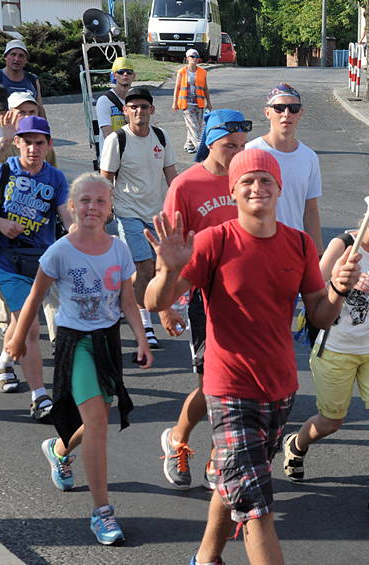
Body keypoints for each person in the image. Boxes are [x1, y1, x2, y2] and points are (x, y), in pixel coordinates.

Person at [144, 148, 362, 565]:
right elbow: (156, 301)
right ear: (233, 191)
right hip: (229, 390)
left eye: (265, 180)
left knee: (238, 486)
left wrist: (338, 289)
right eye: (247, 181)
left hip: (280, 390)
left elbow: (320, 315)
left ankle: (205, 558)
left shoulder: (298, 244)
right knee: (257, 508)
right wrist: (168, 271)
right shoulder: (214, 241)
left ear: (279, 188)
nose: (257, 187)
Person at [6, 173, 151, 546]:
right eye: (85, 200)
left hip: (107, 342)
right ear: (72, 206)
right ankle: (102, 512)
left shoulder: (119, 249)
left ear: (110, 208)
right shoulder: (60, 251)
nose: (92, 207)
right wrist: (19, 338)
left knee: (98, 417)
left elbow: (127, 301)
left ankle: (58, 450)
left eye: (100, 201)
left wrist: (142, 339)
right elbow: (35, 297)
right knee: (98, 423)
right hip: (76, 343)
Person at [282, 183, 369, 530]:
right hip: (337, 347)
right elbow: (312, 294)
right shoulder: (342, 246)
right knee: (331, 421)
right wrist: (344, 282)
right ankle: (297, 443)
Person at [158, 109, 248, 489]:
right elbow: (168, 249)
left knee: (235, 384)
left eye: (242, 146)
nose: (237, 153)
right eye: (230, 146)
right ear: (210, 142)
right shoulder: (186, 185)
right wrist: (165, 305)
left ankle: (217, 457)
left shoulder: (247, 180)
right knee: (212, 384)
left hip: (245, 294)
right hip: (202, 295)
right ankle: (178, 439)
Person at [0, 116, 72, 420]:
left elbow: (67, 218)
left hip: (42, 263)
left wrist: (88, 239)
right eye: (27, 142)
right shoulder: (1, 171)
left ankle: (4, 362)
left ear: (48, 145)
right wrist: (0, 223)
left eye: (39, 142)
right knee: (30, 326)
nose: (33, 148)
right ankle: (40, 397)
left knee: (19, 321)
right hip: (7, 260)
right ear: (17, 143)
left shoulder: (56, 178)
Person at [100, 86, 178, 349]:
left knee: (156, 268)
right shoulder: (117, 139)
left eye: (144, 106)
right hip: (128, 213)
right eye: (133, 107)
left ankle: (124, 298)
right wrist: (106, 207)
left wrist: (181, 205)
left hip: (157, 215)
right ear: (125, 110)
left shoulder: (161, 136)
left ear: (152, 110)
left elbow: (171, 175)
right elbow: (106, 177)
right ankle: (145, 327)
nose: (139, 111)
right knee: (143, 268)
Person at [0, 91, 61, 341]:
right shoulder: (6, 141)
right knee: (5, 278)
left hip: (40, 223)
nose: (28, 115)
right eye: (22, 112)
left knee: (50, 280)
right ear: (11, 114)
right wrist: (4, 141)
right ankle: (6, 324)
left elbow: (53, 176)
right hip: (4, 220)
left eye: (32, 111)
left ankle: (56, 334)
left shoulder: (42, 141)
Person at [246, 83, 323, 253]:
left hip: (293, 248)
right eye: (279, 108)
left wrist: (318, 255)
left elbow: (310, 210)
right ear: (267, 112)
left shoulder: (309, 157)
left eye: (293, 109)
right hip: (254, 247)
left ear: (300, 113)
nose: (286, 114)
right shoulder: (250, 152)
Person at [0, 39, 43, 116]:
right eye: (13, 54)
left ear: (26, 60)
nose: (16, 59)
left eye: (21, 56)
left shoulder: (33, 80)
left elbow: (40, 109)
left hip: (27, 123)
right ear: (5, 57)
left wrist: (44, 124)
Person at [171, 48, 212, 154]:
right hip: (186, 104)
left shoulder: (203, 72)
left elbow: (205, 88)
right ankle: (200, 148)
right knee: (193, 126)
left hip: (199, 103)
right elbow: (177, 88)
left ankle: (189, 145)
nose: (195, 59)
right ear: (187, 58)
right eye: (192, 56)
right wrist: (174, 102)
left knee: (198, 126)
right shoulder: (182, 72)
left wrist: (209, 102)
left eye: (196, 57)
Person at [95, 57, 135, 141]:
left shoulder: (137, 100)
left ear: (134, 76)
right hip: (113, 148)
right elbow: (108, 135)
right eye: (121, 72)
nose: (125, 74)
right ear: (114, 75)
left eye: (129, 72)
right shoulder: (104, 101)